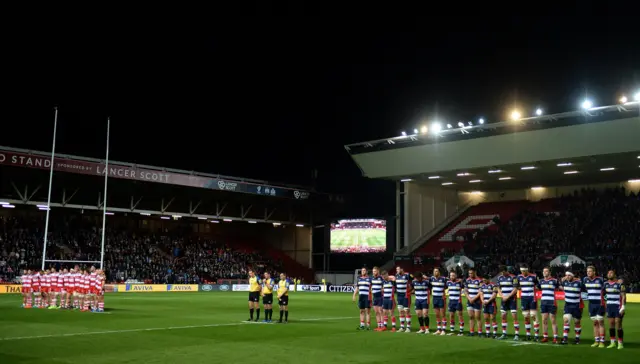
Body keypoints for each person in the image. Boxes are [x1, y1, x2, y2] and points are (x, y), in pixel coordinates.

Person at [582, 265, 606, 347]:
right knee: (595, 323)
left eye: (590, 271)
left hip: (600, 303)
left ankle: (602, 341)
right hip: (591, 304)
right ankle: (596, 340)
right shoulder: (585, 280)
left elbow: (605, 289)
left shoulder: (600, 279)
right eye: (587, 271)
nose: (588, 273)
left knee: (600, 322)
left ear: (594, 272)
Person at [517, 265, 540, 341]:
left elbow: (538, 285)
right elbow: (517, 286)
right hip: (524, 298)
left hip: (532, 298)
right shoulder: (519, 277)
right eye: (521, 271)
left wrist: (535, 288)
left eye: (524, 271)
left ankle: (536, 335)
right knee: (526, 317)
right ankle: (528, 335)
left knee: (533, 315)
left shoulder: (534, 276)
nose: (523, 272)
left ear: (527, 270)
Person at [560, 271, 583, 345]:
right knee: (566, 320)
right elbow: (560, 285)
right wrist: (561, 280)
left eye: (569, 275)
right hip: (568, 305)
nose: (567, 277)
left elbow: (585, 288)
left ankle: (577, 339)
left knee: (577, 322)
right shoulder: (565, 282)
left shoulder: (579, 282)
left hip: (577, 305)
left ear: (572, 276)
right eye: (566, 275)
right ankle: (565, 338)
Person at [497, 265, 519, 340]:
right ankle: (504, 333)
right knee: (503, 316)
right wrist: (502, 296)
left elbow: (515, 289)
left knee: (514, 316)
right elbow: (498, 289)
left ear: (506, 271)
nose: (502, 274)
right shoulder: (500, 278)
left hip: (512, 299)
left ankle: (516, 334)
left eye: (503, 272)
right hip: (504, 299)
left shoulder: (513, 277)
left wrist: (508, 296)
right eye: (501, 272)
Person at [604, 270, 625, 350]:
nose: (609, 274)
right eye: (608, 273)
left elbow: (623, 296)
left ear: (614, 274)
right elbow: (603, 294)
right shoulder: (605, 284)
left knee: (618, 323)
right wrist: (606, 306)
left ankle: (620, 343)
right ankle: (612, 342)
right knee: (611, 324)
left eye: (611, 273)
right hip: (609, 306)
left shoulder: (619, 284)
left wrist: (623, 307)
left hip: (617, 306)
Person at [538, 267, 560, 343]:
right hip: (543, 302)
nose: (544, 272)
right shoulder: (541, 281)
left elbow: (560, 287)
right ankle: (545, 337)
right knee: (544, 320)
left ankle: (555, 338)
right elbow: (537, 288)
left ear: (549, 272)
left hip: (552, 302)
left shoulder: (554, 281)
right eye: (543, 271)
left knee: (553, 320)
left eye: (546, 271)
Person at [465, 268, 483, 337]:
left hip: (477, 301)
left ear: (475, 272)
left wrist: (474, 298)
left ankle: (480, 332)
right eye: (469, 273)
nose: (470, 274)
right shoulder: (467, 280)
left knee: (478, 317)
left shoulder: (479, 281)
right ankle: (471, 331)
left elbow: (480, 292)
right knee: (471, 316)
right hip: (469, 301)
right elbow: (465, 290)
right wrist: (469, 298)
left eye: (471, 273)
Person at [394, 267, 412, 332]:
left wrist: (410, 289)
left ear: (402, 269)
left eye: (398, 269)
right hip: (399, 296)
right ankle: (402, 327)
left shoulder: (407, 275)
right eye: (396, 269)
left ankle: (408, 327)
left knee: (406, 311)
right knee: (400, 311)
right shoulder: (396, 276)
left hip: (405, 296)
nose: (397, 271)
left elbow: (415, 278)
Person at [430, 268, 447, 335]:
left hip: (441, 298)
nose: (435, 272)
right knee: (437, 315)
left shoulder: (443, 279)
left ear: (439, 272)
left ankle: (443, 330)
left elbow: (450, 281)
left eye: (436, 271)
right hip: (434, 298)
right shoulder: (431, 278)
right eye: (434, 271)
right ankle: (438, 329)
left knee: (443, 314)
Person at [447, 271, 464, 336]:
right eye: (451, 275)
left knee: (460, 316)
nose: (452, 277)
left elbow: (464, 284)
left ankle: (461, 331)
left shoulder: (459, 282)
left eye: (453, 275)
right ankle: (452, 330)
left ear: (456, 276)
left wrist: (462, 280)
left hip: (458, 301)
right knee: (451, 316)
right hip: (451, 301)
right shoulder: (448, 282)